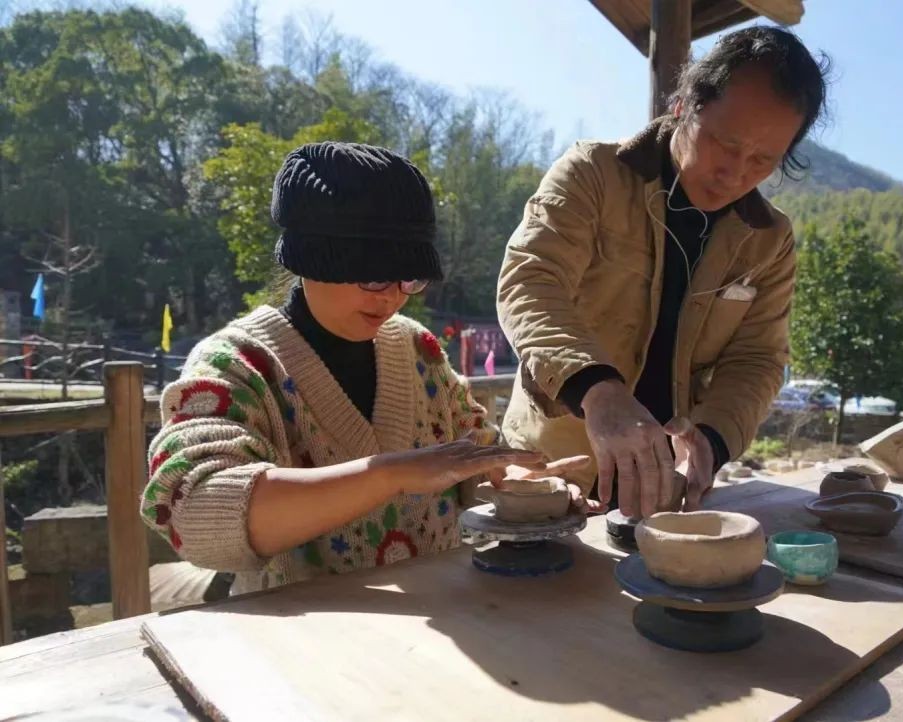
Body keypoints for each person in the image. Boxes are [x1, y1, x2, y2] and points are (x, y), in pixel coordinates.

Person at [141, 142, 584, 594]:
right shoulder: (237, 365)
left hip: (442, 627)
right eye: (373, 277)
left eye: (408, 279)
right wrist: (391, 474)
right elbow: (193, 513)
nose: (391, 297)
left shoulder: (418, 350)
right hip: (299, 648)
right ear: (311, 260)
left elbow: (472, 458)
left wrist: (516, 483)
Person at [497, 26, 829, 519]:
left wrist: (711, 443)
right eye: (723, 142)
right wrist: (599, 392)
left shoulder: (768, 238)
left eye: (763, 159)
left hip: (666, 490)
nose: (735, 172)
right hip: (553, 471)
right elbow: (530, 282)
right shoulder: (593, 174)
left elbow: (756, 359)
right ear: (684, 105)